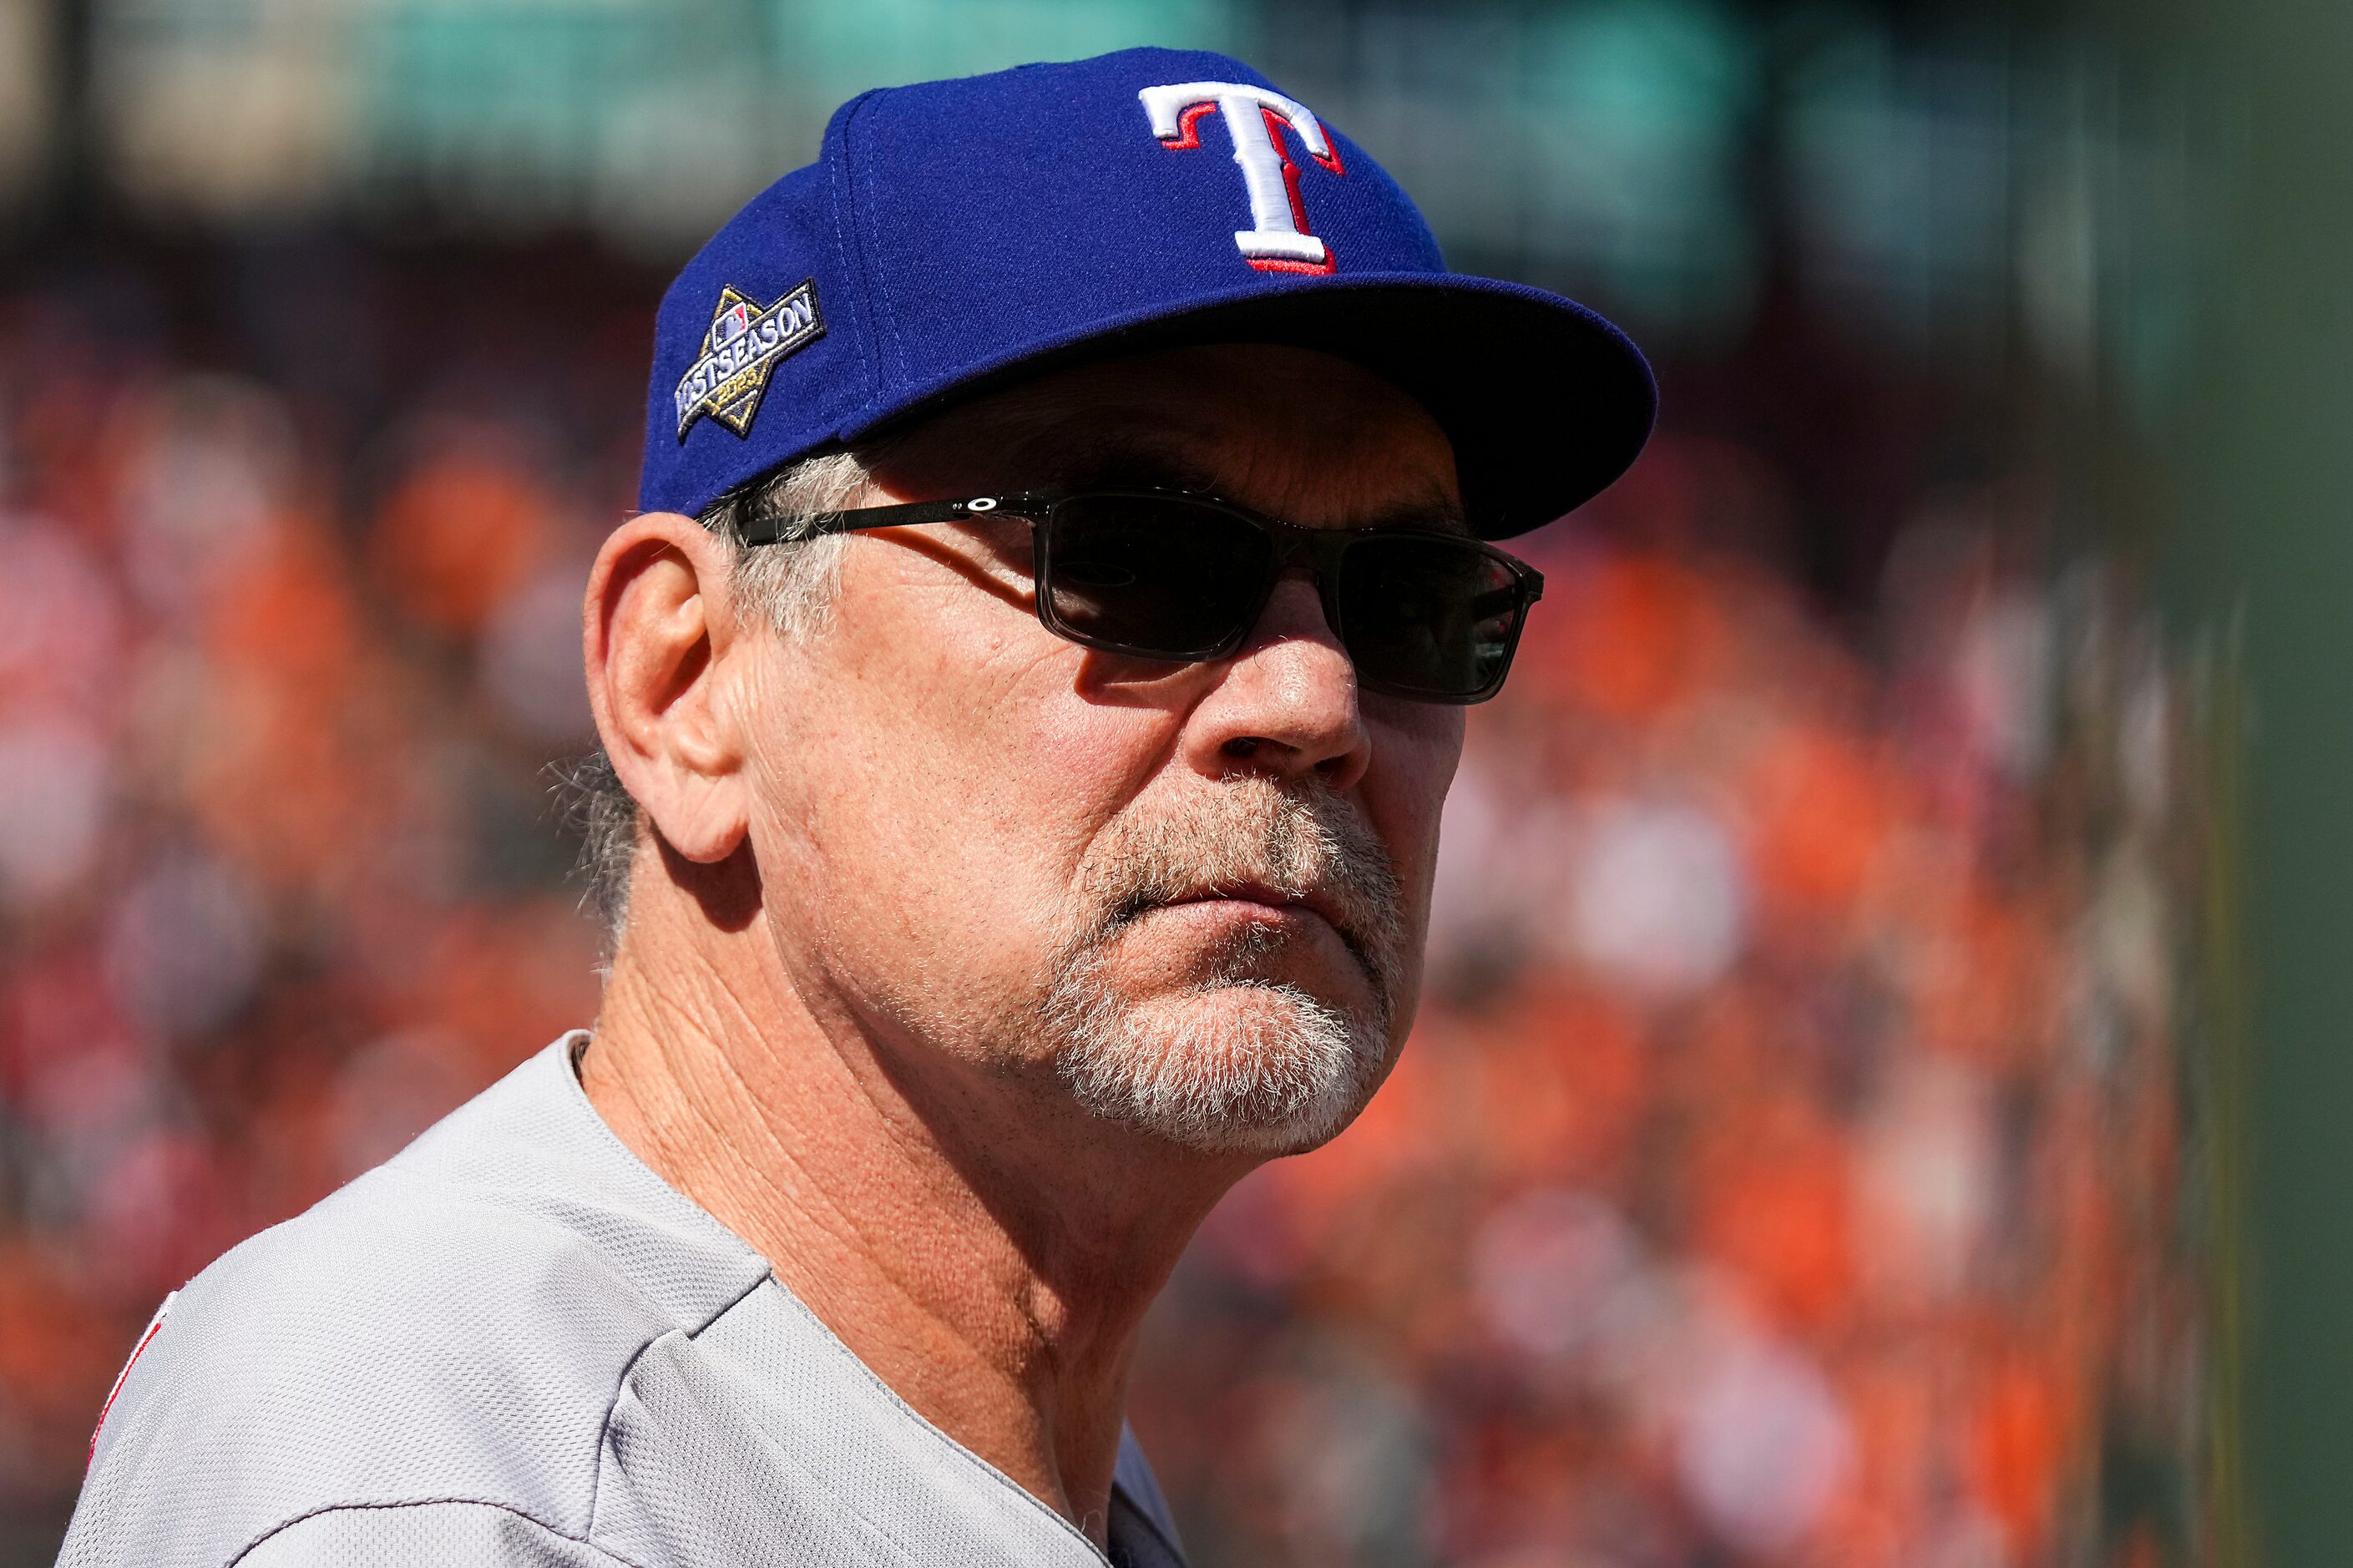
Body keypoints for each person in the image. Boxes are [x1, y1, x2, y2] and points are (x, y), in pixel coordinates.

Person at [60, 47, 1652, 1568]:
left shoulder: (927, 1444)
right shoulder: (450, 1474)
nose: (1313, 701)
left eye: (1412, 601)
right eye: (1134, 557)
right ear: (689, 684)